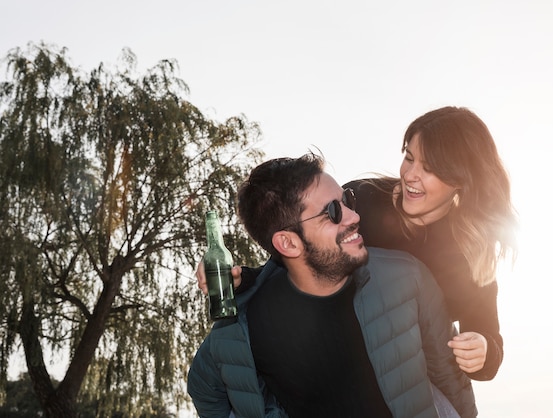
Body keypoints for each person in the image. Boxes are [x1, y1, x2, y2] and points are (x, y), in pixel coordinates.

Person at [197, 106, 517, 381]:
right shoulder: (358, 200)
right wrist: (243, 280)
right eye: (409, 158)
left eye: (430, 168)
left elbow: (489, 345)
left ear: (461, 179)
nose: (411, 175)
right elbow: (296, 265)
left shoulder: (471, 253)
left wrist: (483, 351)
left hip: (410, 388)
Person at [187, 154, 477, 418]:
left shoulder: (406, 277)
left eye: (348, 200)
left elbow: (450, 378)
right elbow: (205, 391)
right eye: (333, 212)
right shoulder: (241, 329)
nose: (354, 217)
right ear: (288, 243)